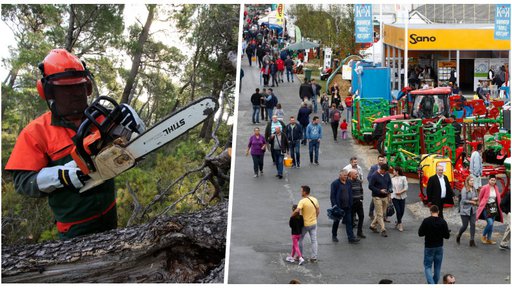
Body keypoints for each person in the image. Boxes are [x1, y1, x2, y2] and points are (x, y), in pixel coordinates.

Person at [5, 49, 145, 240]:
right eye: (66, 88)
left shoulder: (101, 117)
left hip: (109, 212)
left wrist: (136, 131)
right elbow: (23, 182)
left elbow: (134, 151)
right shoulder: (35, 132)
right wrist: (60, 175)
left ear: (87, 87)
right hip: (73, 226)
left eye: (79, 87)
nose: (75, 94)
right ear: (48, 91)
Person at [418, 205, 450, 284]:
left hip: (429, 246)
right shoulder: (443, 222)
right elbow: (447, 236)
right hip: (439, 247)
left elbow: (420, 233)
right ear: (438, 212)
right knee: (437, 268)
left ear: (430, 211)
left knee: (428, 267)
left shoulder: (426, 221)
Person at [330, 169, 360, 243]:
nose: (346, 177)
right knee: (336, 222)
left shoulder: (349, 182)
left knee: (349, 222)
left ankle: (351, 238)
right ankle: (334, 235)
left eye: (346, 175)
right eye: (344, 175)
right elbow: (332, 196)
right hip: (338, 207)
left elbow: (350, 192)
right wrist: (335, 206)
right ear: (340, 175)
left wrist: (351, 202)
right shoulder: (335, 183)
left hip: (348, 206)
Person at [292, 185, 319, 262]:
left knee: (300, 239)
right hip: (314, 223)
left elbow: (297, 210)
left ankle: (300, 256)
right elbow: (318, 210)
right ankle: (314, 257)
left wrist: (292, 216)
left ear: (305, 192)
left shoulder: (302, 201)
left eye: (301, 191)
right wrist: (315, 218)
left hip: (305, 224)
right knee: (314, 240)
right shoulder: (315, 199)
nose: (300, 192)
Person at [476, 175, 504, 245]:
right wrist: (481, 205)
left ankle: (489, 239)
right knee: (490, 223)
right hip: (486, 207)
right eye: (491, 180)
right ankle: (483, 236)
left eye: (494, 180)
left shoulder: (496, 188)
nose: (493, 181)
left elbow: (498, 198)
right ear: (489, 180)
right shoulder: (484, 187)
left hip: (494, 208)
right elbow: (480, 197)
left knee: (491, 225)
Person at [369, 164, 392, 237]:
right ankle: (383, 229)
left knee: (382, 213)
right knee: (380, 214)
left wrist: (389, 189)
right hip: (377, 197)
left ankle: (372, 225)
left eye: (386, 172)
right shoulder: (374, 175)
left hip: (385, 196)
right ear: (381, 169)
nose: (385, 173)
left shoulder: (387, 174)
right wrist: (379, 191)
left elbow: (389, 183)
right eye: (384, 172)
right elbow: (370, 186)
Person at [456, 175, 478, 247]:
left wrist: (476, 199)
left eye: (473, 181)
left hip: (473, 210)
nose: (472, 182)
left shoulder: (474, 189)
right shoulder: (464, 189)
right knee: (465, 226)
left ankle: (472, 240)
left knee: (473, 224)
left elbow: (476, 196)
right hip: (465, 210)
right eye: (471, 181)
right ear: (467, 181)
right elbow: (463, 200)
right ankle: (459, 235)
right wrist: (472, 201)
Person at [368, 155, 387, 220]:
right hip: (376, 188)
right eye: (380, 160)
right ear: (377, 160)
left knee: (383, 201)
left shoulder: (385, 167)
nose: (381, 161)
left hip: (383, 187)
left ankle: (383, 215)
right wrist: (373, 184)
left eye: (382, 160)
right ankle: (371, 213)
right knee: (374, 201)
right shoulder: (374, 167)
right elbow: (369, 177)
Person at [349, 169, 366, 239]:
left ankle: (359, 232)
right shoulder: (348, 182)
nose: (357, 175)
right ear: (351, 175)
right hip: (352, 203)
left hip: (359, 203)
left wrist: (361, 199)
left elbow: (361, 190)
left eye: (357, 174)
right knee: (351, 219)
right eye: (355, 174)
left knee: (361, 216)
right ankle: (351, 234)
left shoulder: (359, 182)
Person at [391, 166, 408, 232]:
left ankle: (398, 221)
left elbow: (406, 187)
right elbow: (391, 188)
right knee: (398, 211)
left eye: (394, 171)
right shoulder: (392, 179)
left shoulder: (403, 178)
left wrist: (400, 192)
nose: (393, 172)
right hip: (394, 197)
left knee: (402, 211)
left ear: (397, 171)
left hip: (402, 196)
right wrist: (390, 197)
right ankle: (400, 224)